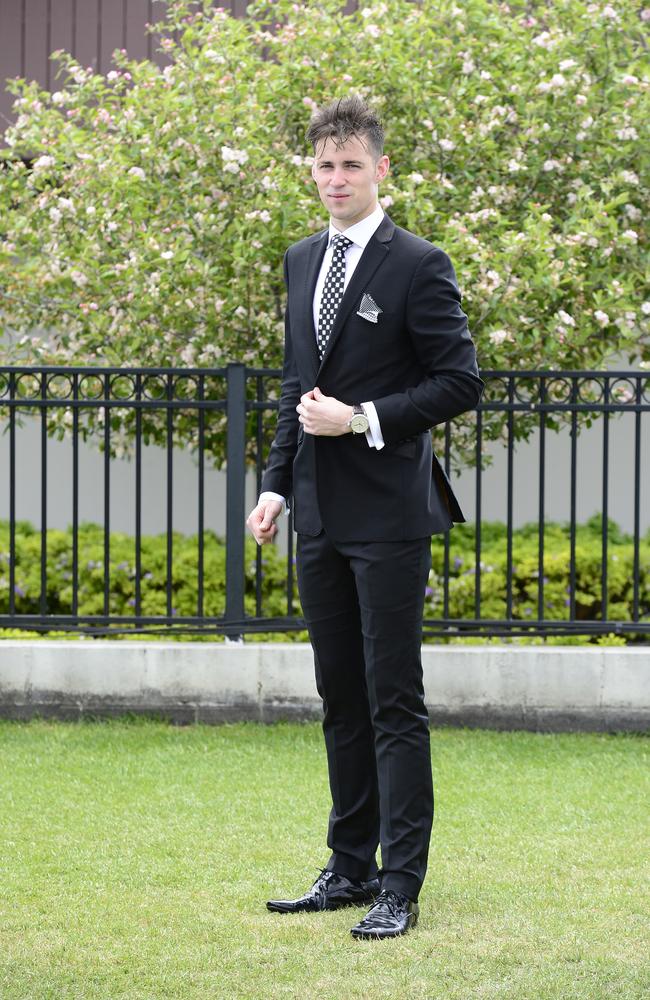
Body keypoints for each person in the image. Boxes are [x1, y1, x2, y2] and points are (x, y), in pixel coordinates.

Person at [246, 96, 482, 940]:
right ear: (311, 172)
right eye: (324, 166)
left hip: (389, 516)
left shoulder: (420, 262)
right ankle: (348, 868)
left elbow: (461, 381)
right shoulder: (302, 258)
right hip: (315, 513)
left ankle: (400, 885)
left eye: (351, 165)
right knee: (339, 697)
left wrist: (365, 420)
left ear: (381, 170)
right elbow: (293, 388)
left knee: (393, 701)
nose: (336, 179)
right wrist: (276, 485)